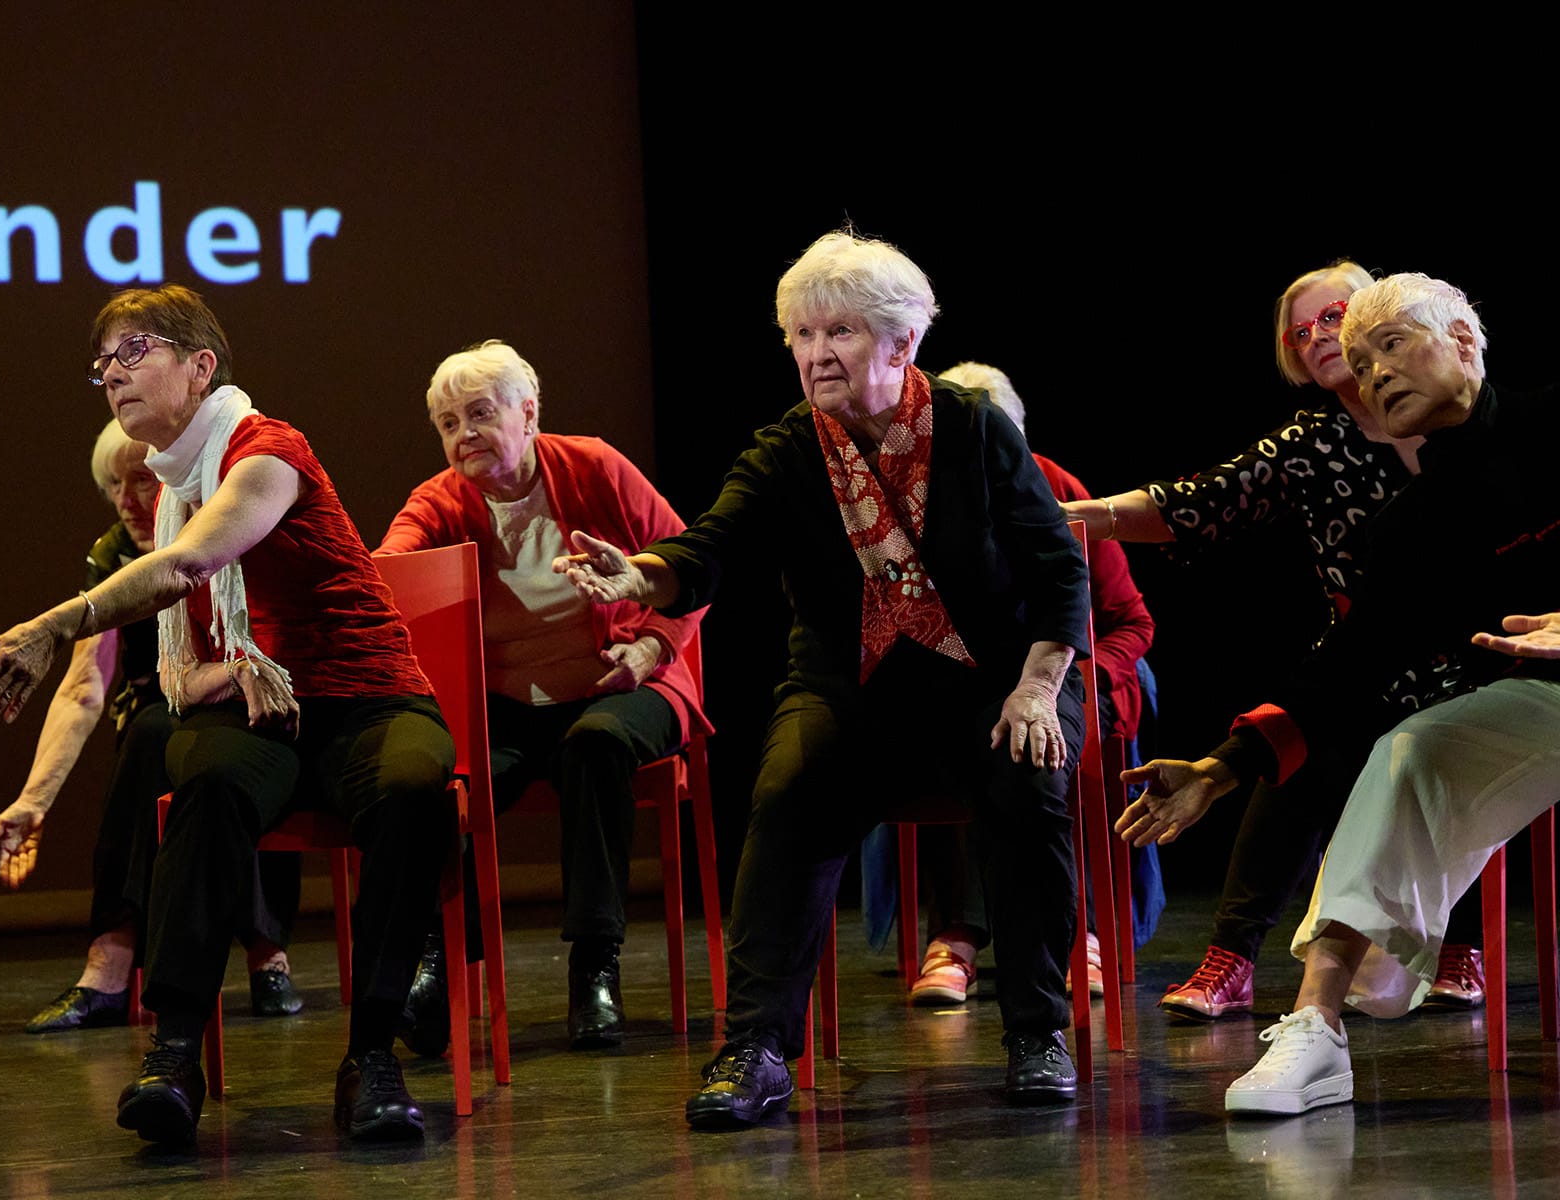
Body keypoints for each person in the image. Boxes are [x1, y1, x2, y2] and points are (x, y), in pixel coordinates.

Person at [557, 231, 1092, 1126]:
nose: (814, 356)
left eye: (836, 332)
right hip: (853, 690)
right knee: (790, 790)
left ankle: (1037, 1029)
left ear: (899, 343)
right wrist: (642, 575)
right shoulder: (787, 451)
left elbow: (1059, 573)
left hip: (1002, 677)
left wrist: (1037, 688)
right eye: (801, 338)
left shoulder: (975, 430)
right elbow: (710, 546)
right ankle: (757, 1048)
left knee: (1025, 777)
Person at [0, 285, 455, 1145]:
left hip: (369, 696)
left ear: (201, 367)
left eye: (132, 352)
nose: (111, 374)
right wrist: (231, 674)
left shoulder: (268, 451)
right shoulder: (166, 493)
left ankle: (372, 1054)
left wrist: (50, 626)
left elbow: (194, 565)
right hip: (263, 711)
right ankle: (176, 1050)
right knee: (206, 777)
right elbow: (179, 680)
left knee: (414, 782)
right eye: (101, 363)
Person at [1115, 273, 1560, 1115]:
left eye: (1391, 343)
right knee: (1408, 747)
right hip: (1544, 704)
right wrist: (1218, 768)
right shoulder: (1413, 528)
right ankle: (1315, 1029)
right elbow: (1346, 669)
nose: (1374, 370)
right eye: (1361, 359)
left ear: (1464, 343)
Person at [1064, 261, 1484, 1021]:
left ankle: (1462, 947)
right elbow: (1203, 501)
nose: (1321, 336)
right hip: (1367, 662)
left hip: (1484, 662)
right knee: (1299, 753)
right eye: (1304, 330)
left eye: (1338, 318)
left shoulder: (1486, 428)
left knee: (1456, 737)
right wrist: (1095, 515)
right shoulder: (1310, 443)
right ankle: (1234, 957)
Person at [376, 339, 708, 1050]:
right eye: (447, 423)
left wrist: (650, 645)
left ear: (528, 413)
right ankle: (437, 966)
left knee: (596, 745)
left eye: (480, 414)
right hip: (509, 709)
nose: (463, 435)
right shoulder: (437, 501)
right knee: (437, 777)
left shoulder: (594, 466)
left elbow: (689, 564)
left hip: (621, 678)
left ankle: (596, 967)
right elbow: (390, 574)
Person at [0, 421, 305, 1034]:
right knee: (152, 731)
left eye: (144, 481)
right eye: (115, 486)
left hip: (242, 698)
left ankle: (269, 952)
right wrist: (33, 801)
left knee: (244, 745)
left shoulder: (228, 522)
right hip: (158, 718)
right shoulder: (113, 555)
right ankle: (110, 959)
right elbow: (83, 689)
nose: (130, 501)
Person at [900, 361, 1155, 1004]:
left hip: (1074, 669)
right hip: (964, 674)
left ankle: (1080, 933)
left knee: (1053, 745)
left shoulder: (1056, 486)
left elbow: (1128, 620)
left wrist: (1079, 677)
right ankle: (955, 933)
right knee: (958, 731)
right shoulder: (911, 492)